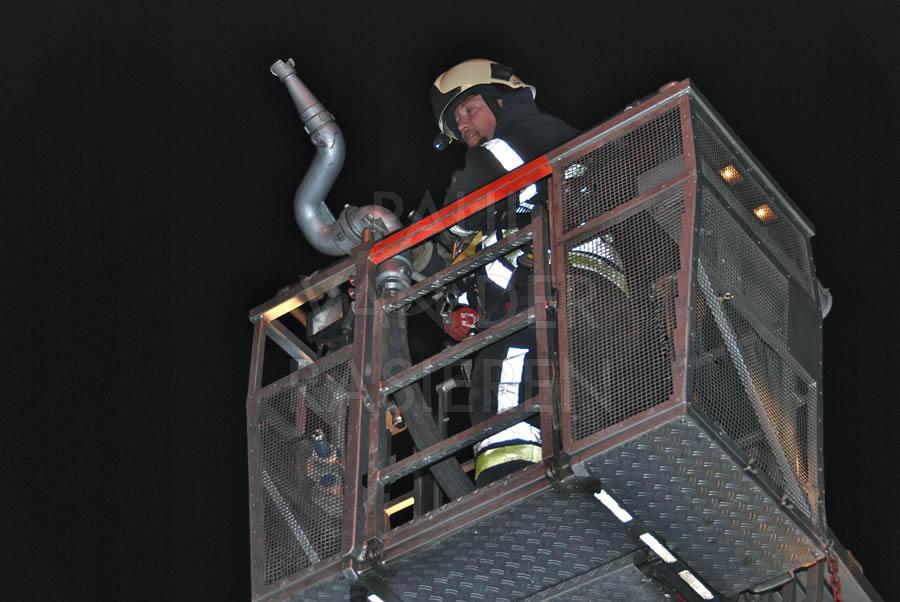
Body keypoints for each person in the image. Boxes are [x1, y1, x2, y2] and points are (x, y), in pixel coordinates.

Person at [430, 59, 582, 486]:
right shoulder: (515, 187)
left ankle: (509, 482)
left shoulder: (526, 138)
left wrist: (438, 234)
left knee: (504, 370)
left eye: (470, 109)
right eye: (456, 122)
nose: (463, 125)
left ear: (502, 100)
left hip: (551, 285)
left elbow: (465, 204)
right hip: (559, 288)